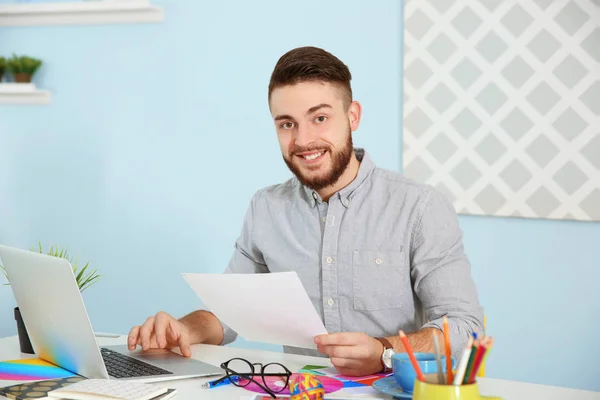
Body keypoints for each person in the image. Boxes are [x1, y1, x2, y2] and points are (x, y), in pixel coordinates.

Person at [127, 46, 484, 377]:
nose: (302, 140)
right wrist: (185, 330)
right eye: (287, 124)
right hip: (297, 392)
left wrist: (383, 350)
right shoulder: (266, 208)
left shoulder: (419, 207)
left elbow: (464, 327)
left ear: (353, 116)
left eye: (320, 118)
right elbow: (229, 313)